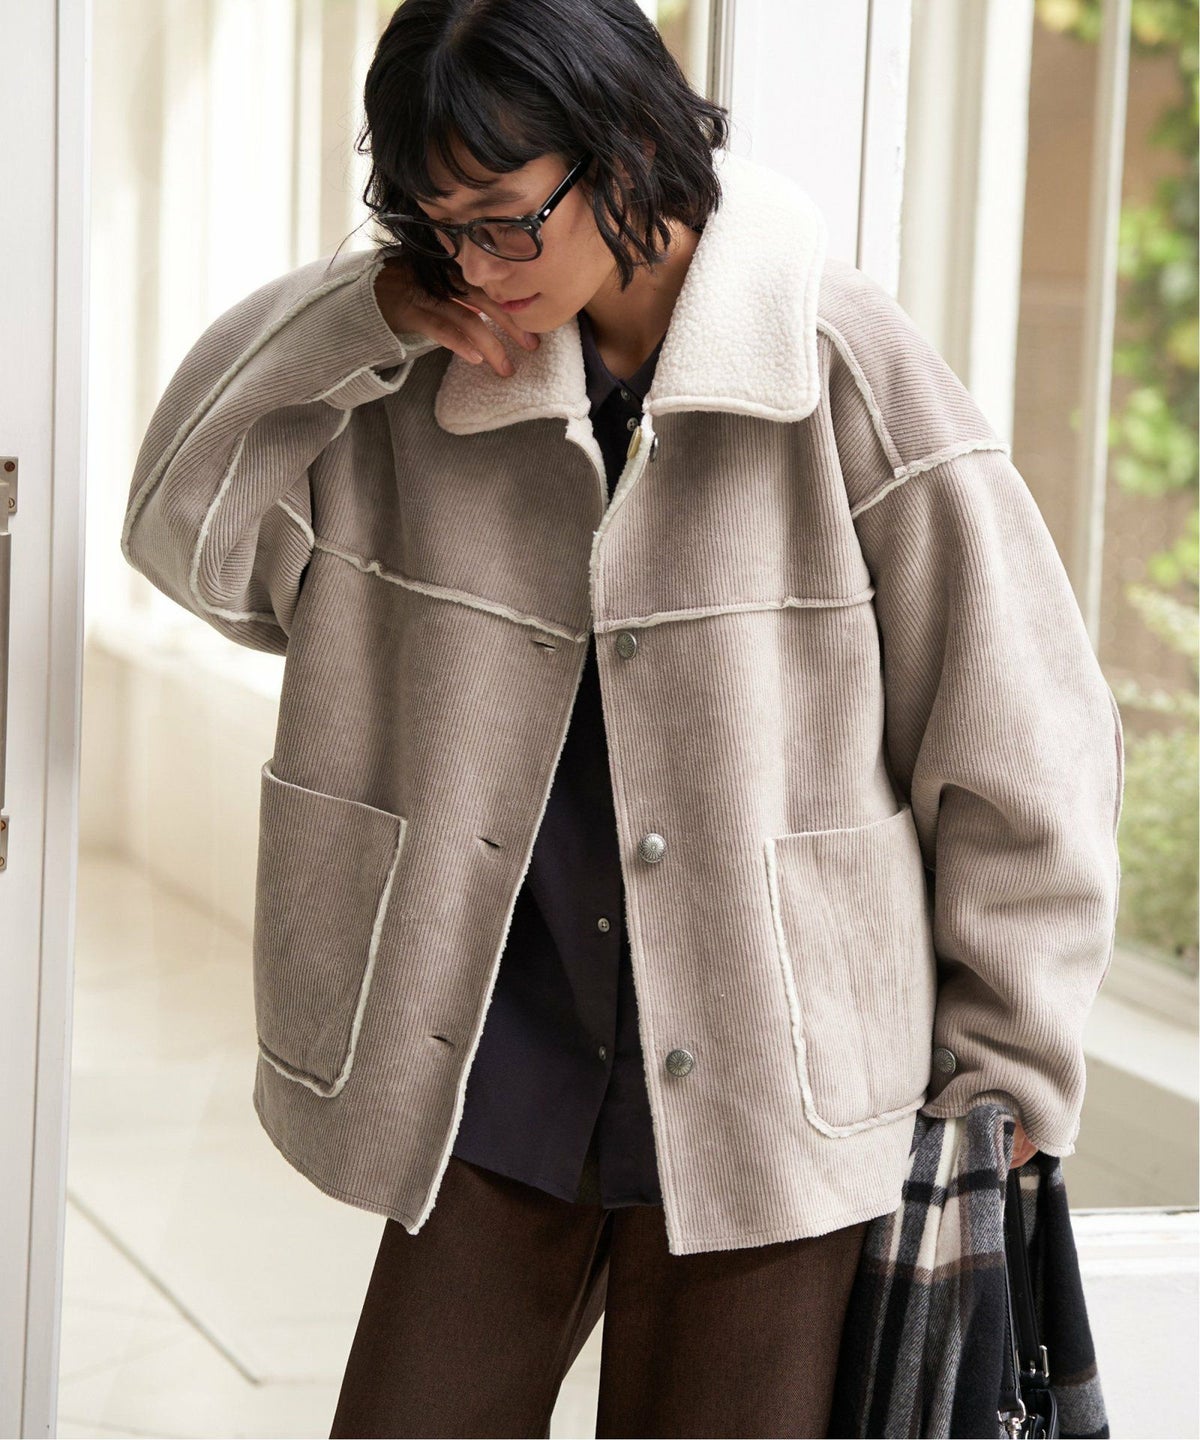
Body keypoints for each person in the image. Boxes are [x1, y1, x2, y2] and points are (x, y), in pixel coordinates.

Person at [119, 0, 1123, 1435]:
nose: (475, 267)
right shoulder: (424, 367)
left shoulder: (840, 366)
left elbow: (1022, 731)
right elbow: (182, 533)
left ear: (628, 148)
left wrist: (1008, 1064)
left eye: (503, 222)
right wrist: (360, 312)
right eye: (434, 229)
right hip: (496, 1056)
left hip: (775, 1079)